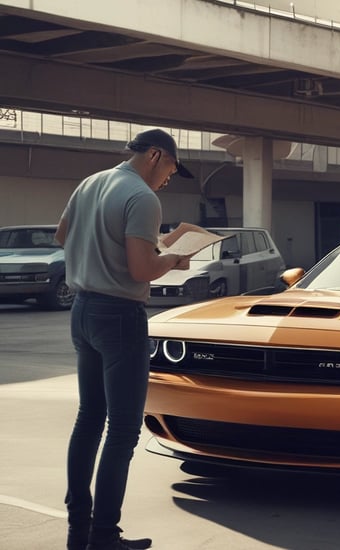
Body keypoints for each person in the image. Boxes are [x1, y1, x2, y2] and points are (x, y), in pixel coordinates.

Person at [55, 129, 194, 549]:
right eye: (171, 167)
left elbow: (63, 235)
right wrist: (173, 257)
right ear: (155, 155)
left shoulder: (91, 182)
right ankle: (104, 536)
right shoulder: (143, 197)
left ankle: (78, 527)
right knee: (122, 431)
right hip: (119, 316)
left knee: (89, 420)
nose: (170, 177)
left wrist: (151, 247)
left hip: (82, 312)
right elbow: (141, 270)